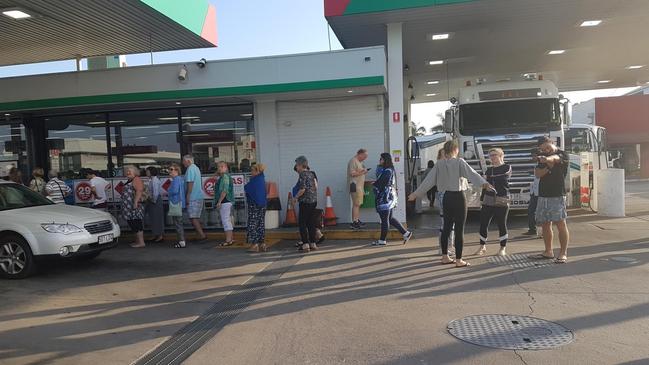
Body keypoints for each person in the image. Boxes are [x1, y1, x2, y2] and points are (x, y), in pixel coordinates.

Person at [409, 140, 493, 268]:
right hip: (459, 197)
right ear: (455, 150)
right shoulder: (460, 162)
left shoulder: (439, 164)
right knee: (459, 230)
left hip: (446, 197)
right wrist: (484, 184)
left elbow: (428, 181)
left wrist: (415, 194)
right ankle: (459, 260)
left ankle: (445, 257)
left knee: (446, 228)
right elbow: (472, 174)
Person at [529, 138, 570, 264]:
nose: (546, 150)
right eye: (543, 149)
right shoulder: (544, 155)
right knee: (545, 224)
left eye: (547, 147)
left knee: (560, 223)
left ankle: (563, 253)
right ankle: (548, 251)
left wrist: (546, 160)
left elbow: (556, 159)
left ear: (552, 143)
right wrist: (549, 167)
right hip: (543, 194)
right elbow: (537, 174)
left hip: (557, 194)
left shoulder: (563, 154)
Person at [475, 148, 512, 256]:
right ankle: (482, 246)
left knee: (501, 223)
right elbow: (484, 185)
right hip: (488, 199)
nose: (492, 157)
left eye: (494, 155)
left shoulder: (507, 167)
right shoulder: (488, 170)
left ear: (501, 155)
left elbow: (503, 177)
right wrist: (482, 199)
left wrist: (486, 178)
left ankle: (502, 248)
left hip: (502, 198)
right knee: (483, 223)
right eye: (490, 155)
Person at [372, 153, 412, 246]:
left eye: (381, 159)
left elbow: (382, 184)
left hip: (384, 198)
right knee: (390, 218)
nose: (380, 161)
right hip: (390, 197)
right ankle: (406, 233)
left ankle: (382, 240)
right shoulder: (390, 169)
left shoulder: (387, 171)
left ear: (385, 160)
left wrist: (375, 185)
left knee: (385, 219)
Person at [294, 156, 318, 252]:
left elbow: (302, 189)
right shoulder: (311, 174)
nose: (296, 167)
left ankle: (305, 244)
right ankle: (313, 243)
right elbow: (316, 186)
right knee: (311, 222)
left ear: (300, 165)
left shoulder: (302, 174)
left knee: (302, 223)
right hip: (313, 200)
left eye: (296, 165)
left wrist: (296, 197)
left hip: (305, 201)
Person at [524, 138, 547, 236]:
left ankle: (543, 232)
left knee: (541, 213)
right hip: (535, 192)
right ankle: (532, 229)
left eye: (533, 155)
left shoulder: (543, 164)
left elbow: (539, 177)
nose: (532, 157)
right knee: (531, 211)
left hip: (542, 192)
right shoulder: (537, 164)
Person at [183, 155, 207, 242]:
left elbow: (190, 183)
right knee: (195, 216)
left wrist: (188, 195)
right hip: (198, 195)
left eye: (184, 161)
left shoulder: (190, 169)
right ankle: (199, 234)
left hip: (193, 196)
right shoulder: (196, 168)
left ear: (188, 161)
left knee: (193, 217)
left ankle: (202, 235)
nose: (183, 163)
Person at [435, 150, 454, 256]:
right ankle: (442, 247)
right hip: (444, 195)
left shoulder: (451, 164)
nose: (447, 156)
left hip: (453, 196)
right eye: (445, 154)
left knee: (452, 224)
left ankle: (450, 245)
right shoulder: (439, 166)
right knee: (445, 224)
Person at [245, 163, 268, 252]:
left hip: (254, 205)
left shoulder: (255, 180)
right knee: (261, 223)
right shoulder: (262, 179)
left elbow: (248, 188)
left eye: (252, 170)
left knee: (253, 223)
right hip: (263, 204)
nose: (251, 172)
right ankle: (262, 243)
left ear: (257, 171)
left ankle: (254, 244)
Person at [122, 165, 146, 248]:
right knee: (132, 223)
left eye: (130, 171)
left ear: (135, 172)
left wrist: (135, 202)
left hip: (134, 206)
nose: (128, 172)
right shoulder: (130, 180)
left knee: (136, 223)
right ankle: (137, 241)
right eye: (127, 171)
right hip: (128, 206)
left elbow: (139, 191)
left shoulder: (136, 179)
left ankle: (141, 242)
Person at [214, 161, 235, 246]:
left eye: (222, 166)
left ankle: (228, 239)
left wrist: (219, 201)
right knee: (227, 220)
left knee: (225, 220)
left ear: (226, 168)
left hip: (225, 201)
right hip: (226, 201)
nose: (220, 168)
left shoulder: (225, 177)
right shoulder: (223, 177)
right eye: (219, 167)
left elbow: (224, 190)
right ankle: (230, 238)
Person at [348, 148, 369, 229]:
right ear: (360, 154)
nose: (365, 158)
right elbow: (352, 174)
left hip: (359, 186)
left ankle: (356, 219)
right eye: (364, 156)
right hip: (355, 185)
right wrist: (363, 172)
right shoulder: (353, 161)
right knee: (356, 204)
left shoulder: (360, 162)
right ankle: (354, 222)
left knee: (358, 204)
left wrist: (363, 170)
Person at [167, 163, 186, 248]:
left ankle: (181, 241)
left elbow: (174, 191)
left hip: (176, 203)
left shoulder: (176, 180)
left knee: (178, 223)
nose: (169, 171)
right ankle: (181, 241)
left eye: (171, 169)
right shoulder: (179, 179)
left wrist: (168, 191)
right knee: (179, 222)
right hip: (179, 203)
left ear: (177, 170)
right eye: (169, 169)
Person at [145, 166, 165, 243]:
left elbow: (155, 193)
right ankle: (155, 234)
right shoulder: (152, 180)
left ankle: (160, 235)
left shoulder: (154, 180)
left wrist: (152, 200)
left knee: (157, 218)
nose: (146, 173)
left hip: (155, 201)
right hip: (152, 200)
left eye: (147, 171)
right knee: (153, 218)